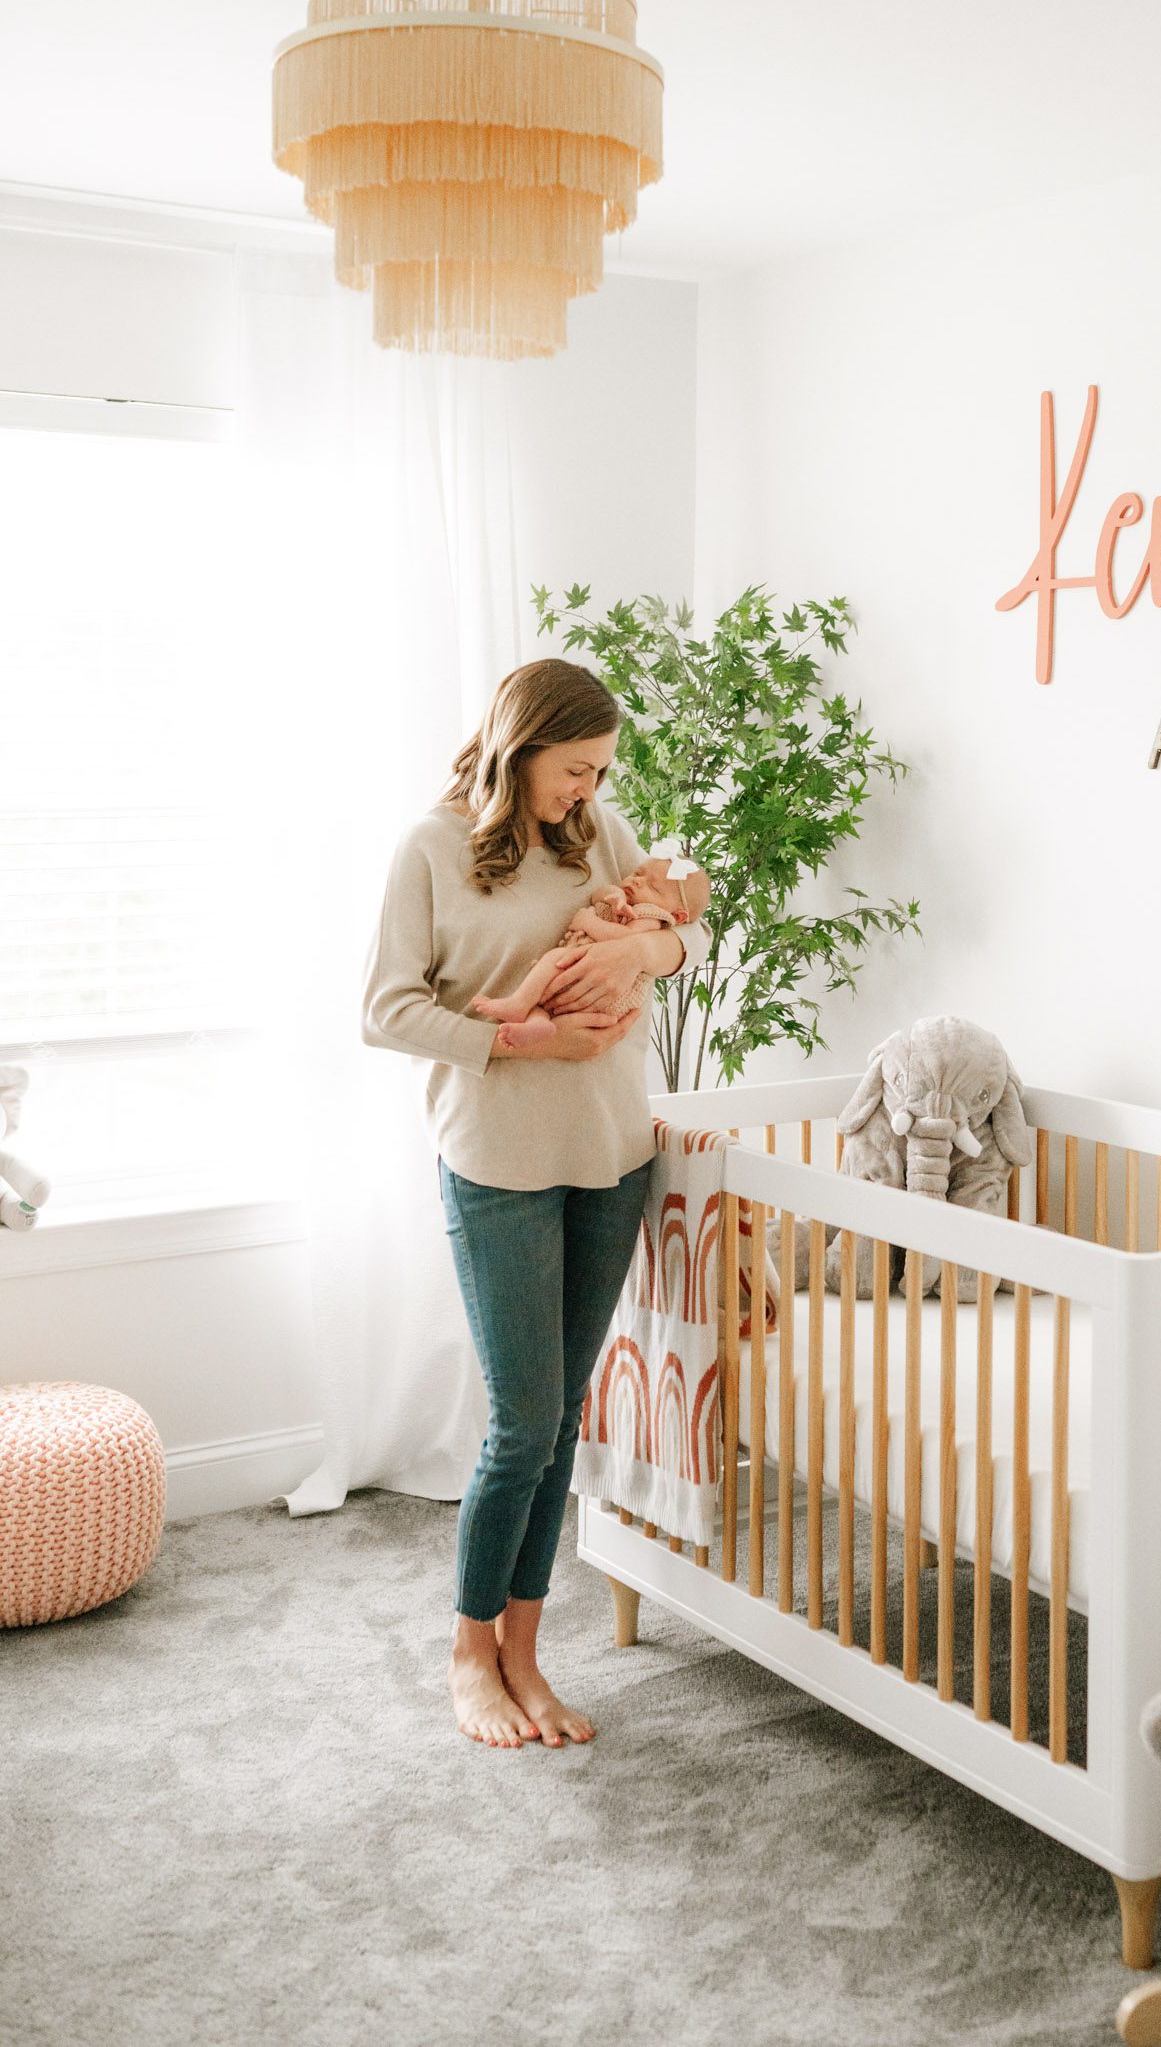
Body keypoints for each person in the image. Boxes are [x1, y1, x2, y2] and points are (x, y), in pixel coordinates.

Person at [362, 657, 712, 1751]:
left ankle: (525, 1648)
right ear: (521, 748)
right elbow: (386, 1009)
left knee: (564, 1414)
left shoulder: (594, 831)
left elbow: (681, 929)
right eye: (575, 767)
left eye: (602, 770)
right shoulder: (430, 848)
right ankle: (472, 1653)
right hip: (498, 1161)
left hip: (610, 1152)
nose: (591, 788)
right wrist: (518, 1037)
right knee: (521, 1422)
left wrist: (652, 940)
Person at [469, 853, 712, 1026]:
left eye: (654, 888)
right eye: (638, 873)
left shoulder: (650, 916)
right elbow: (597, 895)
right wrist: (613, 893)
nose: (637, 881)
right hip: (578, 974)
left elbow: (626, 940)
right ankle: (536, 1024)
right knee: (548, 1002)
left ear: (677, 915)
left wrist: (589, 923)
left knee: (553, 960)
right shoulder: (627, 899)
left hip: (601, 992)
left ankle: (519, 1003)